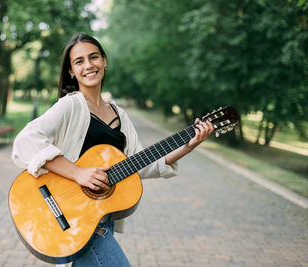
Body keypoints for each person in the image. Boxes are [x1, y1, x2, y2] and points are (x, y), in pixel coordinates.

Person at [12, 32, 214, 266]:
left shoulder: (119, 114)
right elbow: (26, 140)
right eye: (79, 61)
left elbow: (141, 163)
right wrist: (79, 173)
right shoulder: (71, 105)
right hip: (73, 219)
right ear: (71, 71)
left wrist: (189, 145)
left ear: (104, 61)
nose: (88, 65)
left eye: (94, 57)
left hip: (97, 219)